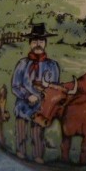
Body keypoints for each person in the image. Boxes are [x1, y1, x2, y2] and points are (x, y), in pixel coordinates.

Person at [11, 23, 60, 163]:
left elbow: (54, 88)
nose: (37, 44)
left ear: (45, 43)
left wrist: (43, 97)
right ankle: (21, 152)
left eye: (40, 41)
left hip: (40, 107)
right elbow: (15, 85)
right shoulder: (22, 64)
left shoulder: (52, 66)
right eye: (34, 41)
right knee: (21, 129)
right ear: (30, 44)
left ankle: (38, 155)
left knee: (37, 132)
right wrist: (27, 95)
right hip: (23, 105)